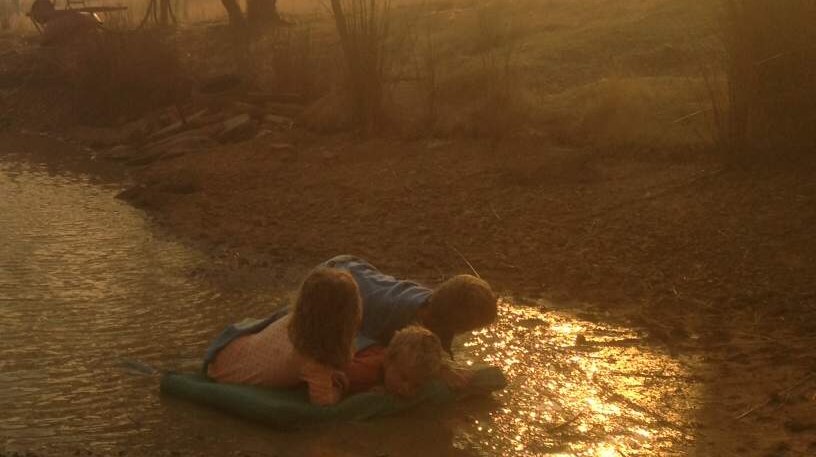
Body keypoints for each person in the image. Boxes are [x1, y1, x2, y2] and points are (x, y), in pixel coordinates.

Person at [203, 267, 361, 406]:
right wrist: (339, 389)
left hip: (228, 351)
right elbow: (323, 402)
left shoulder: (292, 319)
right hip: (228, 375)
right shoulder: (316, 359)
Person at [322, 255, 498, 357]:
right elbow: (353, 342)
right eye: (467, 329)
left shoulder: (438, 309)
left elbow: (441, 348)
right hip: (329, 281)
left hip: (355, 268)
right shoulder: (391, 315)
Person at [346, 325, 474, 397]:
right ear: (388, 360)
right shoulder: (364, 371)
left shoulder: (407, 366)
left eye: (416, 385)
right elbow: (334, 374)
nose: (406, 389)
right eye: (403, 378)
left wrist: (444, 370)